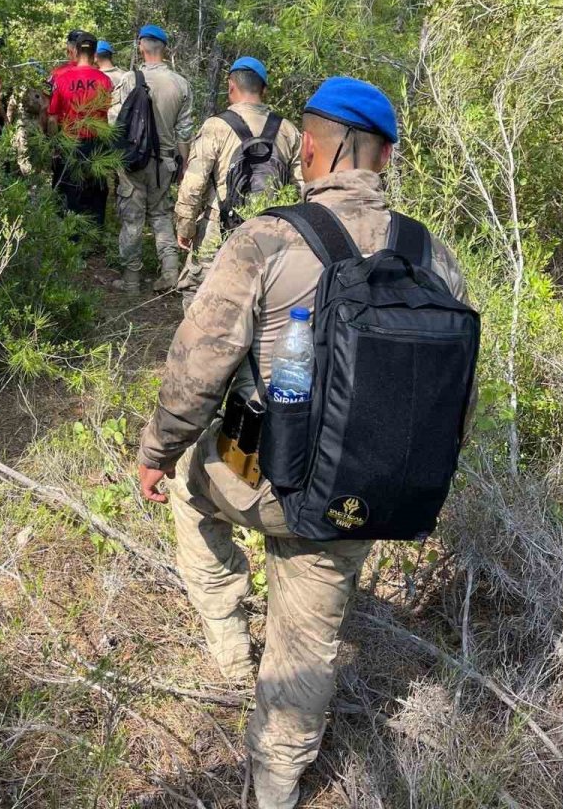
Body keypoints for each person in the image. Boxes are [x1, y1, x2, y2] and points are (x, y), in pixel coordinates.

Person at [137, 77, 470, 809]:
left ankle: (228, 641)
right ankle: (278, 785)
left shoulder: (268, 238)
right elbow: (455, 402)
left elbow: (198, 368)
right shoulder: (435, 255)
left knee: (193, 492)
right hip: (369, 490)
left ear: (312, 151)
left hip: (259, 475)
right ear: (385, 156)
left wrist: (156, 451)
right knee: (310, 642)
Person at [175, 57, 302, 308]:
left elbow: (194, 183)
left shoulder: (216, 126)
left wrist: (185, 225)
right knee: (260, 294)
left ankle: (200, 343)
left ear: (231, 86)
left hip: (218, 226)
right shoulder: (287, 130)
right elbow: (301, 187)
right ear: (264, 90)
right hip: (270, 229)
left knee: (197, 290)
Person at [112, 25, 193, 293]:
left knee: (132, 219)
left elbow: (115, 122)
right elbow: (184, 131)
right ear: (165, 49)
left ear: (141, 48)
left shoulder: (128, 80)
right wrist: (182, 166)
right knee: (161, 216)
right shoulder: (181, 83)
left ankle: (131, 281)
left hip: (132, 161)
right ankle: (170, 273)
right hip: (165, 163)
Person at [46, 32, 113, 226]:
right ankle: (95, 232)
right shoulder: (104, 80)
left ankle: (71, 235)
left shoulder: (62, 79)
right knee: (96, 191)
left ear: (75, 51)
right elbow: (110, 114)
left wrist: (55, 144)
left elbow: (52, 117)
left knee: (70, 190)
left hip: (69, 142)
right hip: (96, 143)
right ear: (94, 55)